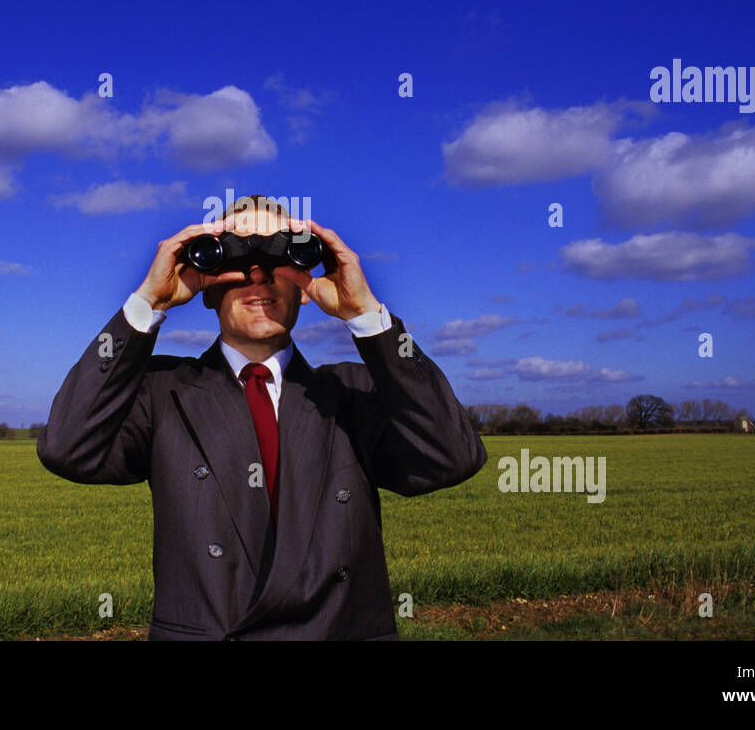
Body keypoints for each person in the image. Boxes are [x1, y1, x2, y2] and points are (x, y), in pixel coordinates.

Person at [37, 195, 486, 639]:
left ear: (305, 285)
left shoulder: (354, 392)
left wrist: (365, 313)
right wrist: (145, 304)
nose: (257, 276)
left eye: (279, 254)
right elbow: (67, 448)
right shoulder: (161, 393)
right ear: (207, 286)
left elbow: (452, 457)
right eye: (234, 256)